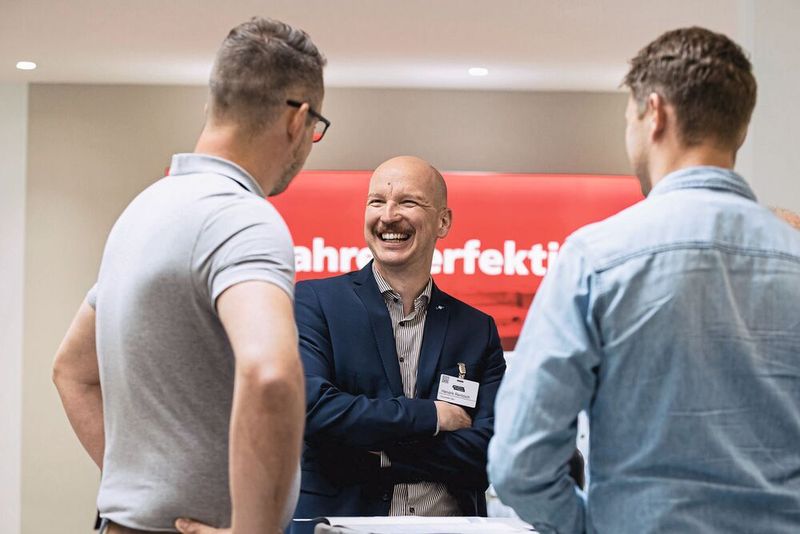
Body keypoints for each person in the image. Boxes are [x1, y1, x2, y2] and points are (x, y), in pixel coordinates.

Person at [489, 27, 800, 534]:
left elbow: (519, 462)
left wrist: (590, 525)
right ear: (739, 130)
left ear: (654, 113)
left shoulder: (595, 258)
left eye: (629, 117)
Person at [52, 17, 328, 534]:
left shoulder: (143, 209)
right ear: (299, 121)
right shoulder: (243, 217)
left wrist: (139, 498)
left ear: (213, 105)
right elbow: (270, 375)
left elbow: (72, 369)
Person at [293, 156, 506, 521]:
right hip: (342, 526)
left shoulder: (476, 329)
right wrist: (432, 416)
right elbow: (315, 412)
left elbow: (493, 451)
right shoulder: (315, 303)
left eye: (408, 202)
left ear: (443, 221)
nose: (388, 215)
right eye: (376, 201)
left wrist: (380, 452)